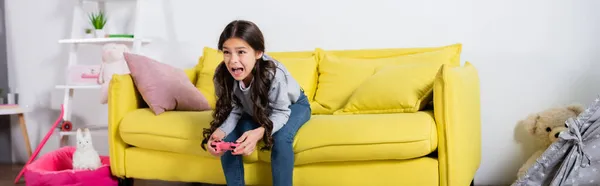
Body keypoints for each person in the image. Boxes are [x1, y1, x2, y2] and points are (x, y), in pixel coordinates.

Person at [201, 20, 311, 186]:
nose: (232, 60)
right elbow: (235, 109)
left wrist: (260, 132)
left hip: (291, 106)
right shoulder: (222, 75)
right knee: (230, 137)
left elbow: (281, 112)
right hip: (255, 110)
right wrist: (218, 135)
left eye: (241, 52)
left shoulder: (274, 73)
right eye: (226, 52)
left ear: (258, 53)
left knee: (281, 138)